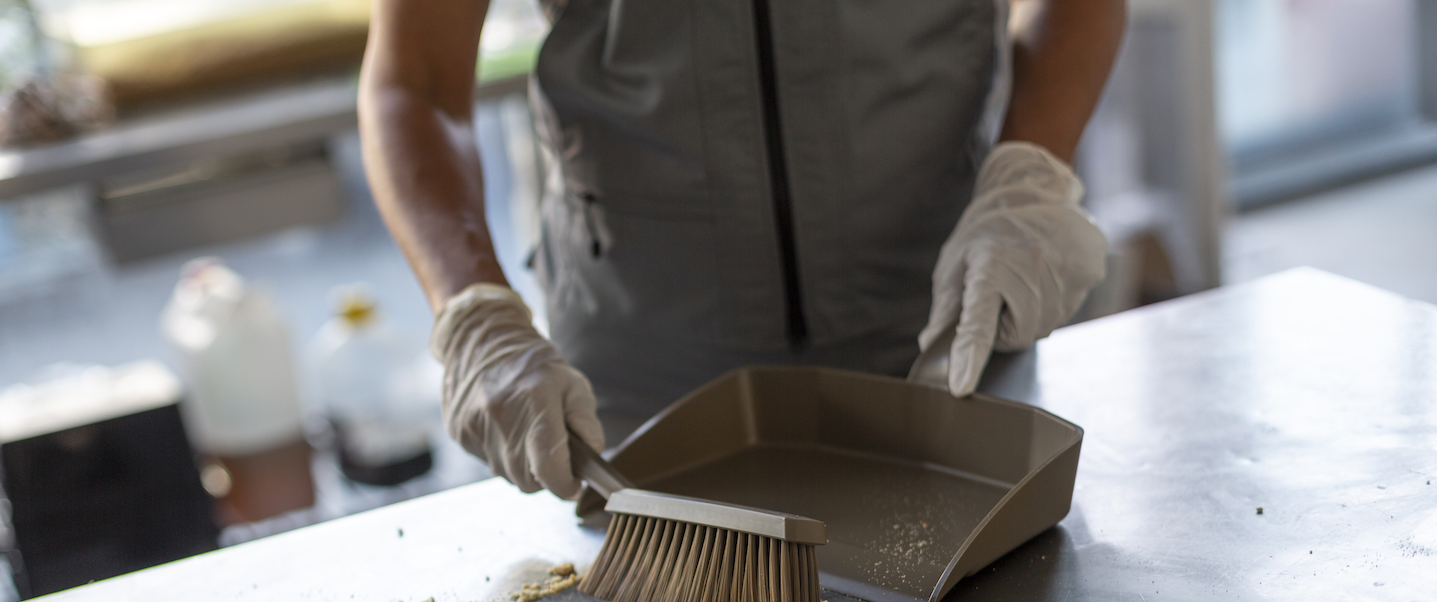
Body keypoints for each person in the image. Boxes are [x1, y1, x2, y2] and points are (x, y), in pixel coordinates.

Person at [360, 0, 1123, 499]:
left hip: (948, 332)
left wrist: (1029, 175)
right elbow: (414, 80)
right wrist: (474, 310)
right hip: (640, 394)